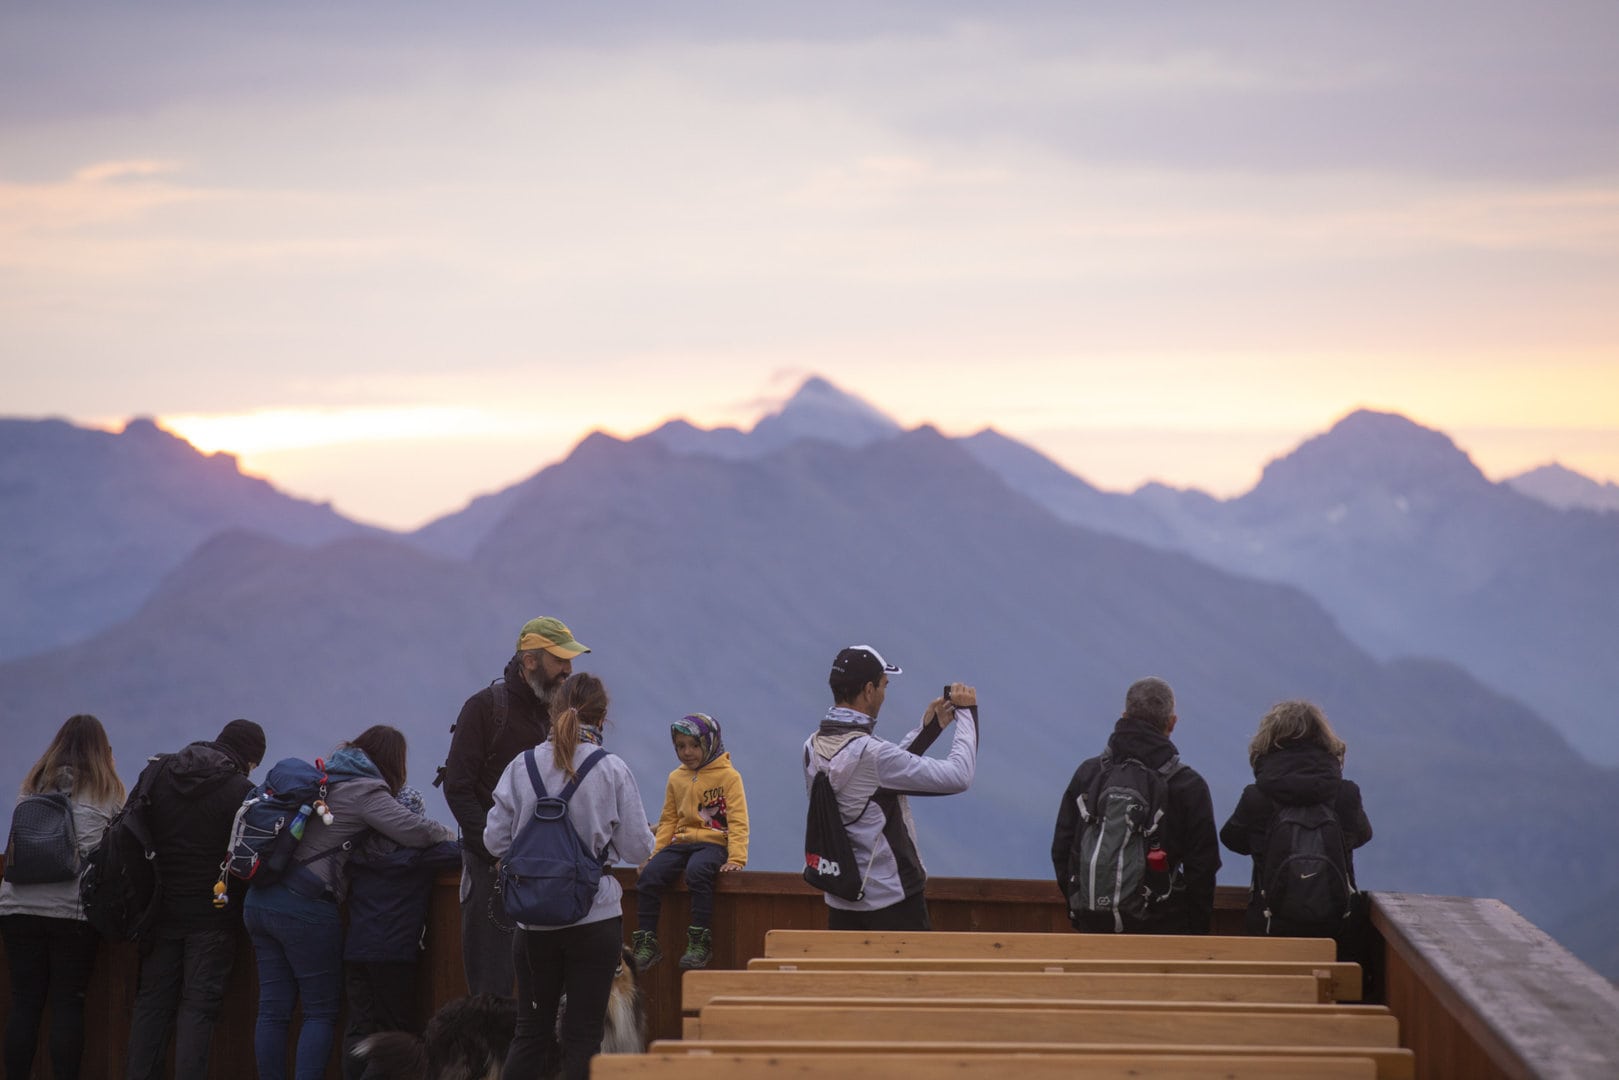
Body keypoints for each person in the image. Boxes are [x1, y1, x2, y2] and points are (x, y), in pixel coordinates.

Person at [242, 726, 455, 1080]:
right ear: (392, 761)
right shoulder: (365, 789)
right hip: (305, 906)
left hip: (259, 899)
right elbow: (416, 831)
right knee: (319, 1012)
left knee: (273, 1012)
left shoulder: (325, 778)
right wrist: (448, 835)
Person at [484, 672, 655, 1080]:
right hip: (594, 919)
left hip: (532, 922)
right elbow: (638, 848)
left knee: (530, 1034)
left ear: (554, 709)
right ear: (604, 715)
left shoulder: (521, 766)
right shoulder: (611, 769)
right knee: (582, 1038)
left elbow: (494, 841)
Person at [442, 615, 589, 997]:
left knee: (545, 995)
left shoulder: (558, 714)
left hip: (550, 872)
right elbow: (457, 788)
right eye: (560, 660)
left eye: (570, 661)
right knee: (493, 994)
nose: (569, 670)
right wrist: (495, 852)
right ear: (530, 660)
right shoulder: (484, 708)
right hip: (493, 872)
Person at [125, 717, 267, 1080]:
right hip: (212, 917)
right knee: (197, 1010)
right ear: (250, 758)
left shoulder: (158, 774)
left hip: (160, 910)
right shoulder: (241, 791)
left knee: (152, 1005)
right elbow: (251, 859)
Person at [801, 645, 978, 932]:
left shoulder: (812, 746)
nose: (884, 694)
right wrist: (967, 715)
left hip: (840, 896)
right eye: (884, 686)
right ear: (869, 690)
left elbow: (879, 778)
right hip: (893, 902)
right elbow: (959, 776)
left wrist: (929, 730)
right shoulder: (871, 753)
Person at [0, 714, 126, 1080]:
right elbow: (119, 847)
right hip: (71, 914)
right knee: (68, 1002)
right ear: (103, 751)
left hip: (17, 906)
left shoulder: (34, 786)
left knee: (24, 1002)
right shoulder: (109, 791)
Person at [1051, 676, 1221, 934]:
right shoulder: (1189, 785)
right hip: (1165, 930)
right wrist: (1195, 932)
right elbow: (1203, 869)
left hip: (1094, 929)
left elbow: (1062, 849)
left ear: (1124, 715)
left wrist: (1084, 908)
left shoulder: (1088, 774)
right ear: (1172, 723)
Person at [1219, 699, 1373, 948]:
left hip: (1270, 929)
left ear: (1269, 741)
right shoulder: (1345, 795)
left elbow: (1231, 839)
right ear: (1324, 738)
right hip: (1337, 934)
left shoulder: (1257, 797)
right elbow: (1364, 835)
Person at [340, 786, 461, 1080]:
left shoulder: (358, 852)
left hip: (356, 950)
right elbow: (462, 853)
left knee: (358, 1028)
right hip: (394, 952)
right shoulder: (419, 856)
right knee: (393, 1034)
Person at [632, 712, 749, 971]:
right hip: (681, 842)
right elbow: (668, 820)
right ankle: (647, 941)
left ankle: (699, 943)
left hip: (713, 842)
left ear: (709, 743)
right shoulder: (676, 778)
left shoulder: (729, 777)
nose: (687, 752)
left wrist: (736, 858)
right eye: (680, 746)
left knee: (698, 872)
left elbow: (739, 820)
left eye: (694, 745)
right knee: (649, 876)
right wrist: (655, 854)